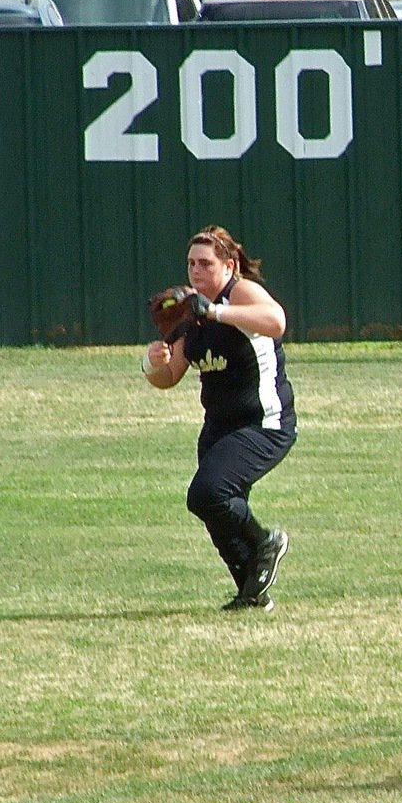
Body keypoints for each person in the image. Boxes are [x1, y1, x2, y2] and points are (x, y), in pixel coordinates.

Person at [143, 225, 296, 612]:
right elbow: (169, 377)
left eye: (205, 263)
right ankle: (251, 594)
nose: (196, 271)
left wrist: (214, 311)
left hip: (263, 422)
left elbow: (276, 321)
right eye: (191, 263)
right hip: (219, 427)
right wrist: (151, 363)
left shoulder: (236, 293)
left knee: (208, 493)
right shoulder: (187, 309)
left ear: (228, 266)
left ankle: (265, 542)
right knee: (215, 511)